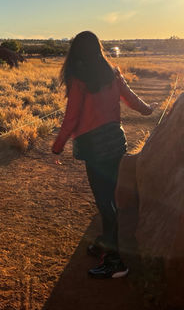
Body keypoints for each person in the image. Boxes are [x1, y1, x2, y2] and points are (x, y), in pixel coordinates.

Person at [52, 31, 155, 279]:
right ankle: (104, 243)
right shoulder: (112, 74)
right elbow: (130, 99)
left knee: (105, 202)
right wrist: (147, 110)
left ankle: (115, 261)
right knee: (109, 197)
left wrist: (58, 145)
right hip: (115, 143)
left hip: (94, 148)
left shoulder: (79, 79)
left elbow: (72, 117)